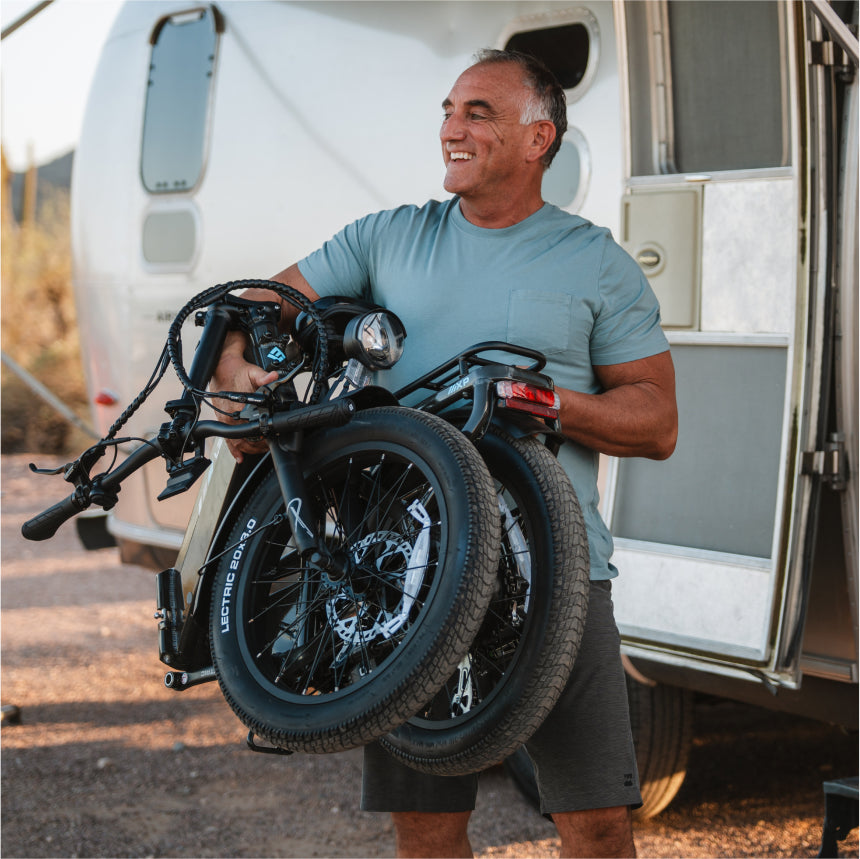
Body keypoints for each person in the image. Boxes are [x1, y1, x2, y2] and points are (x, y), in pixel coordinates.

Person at [213, 49, 677, 859]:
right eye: (449, 110)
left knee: (598, 822)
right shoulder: (388, 237)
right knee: (426, 830)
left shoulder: (595, 260)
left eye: (478, 114)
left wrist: (550, 403)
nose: (451, 130)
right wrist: (235, 377)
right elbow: (255, 307)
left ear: (540, 139)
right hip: (404, 578)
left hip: (558, 573)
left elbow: (657, 418)